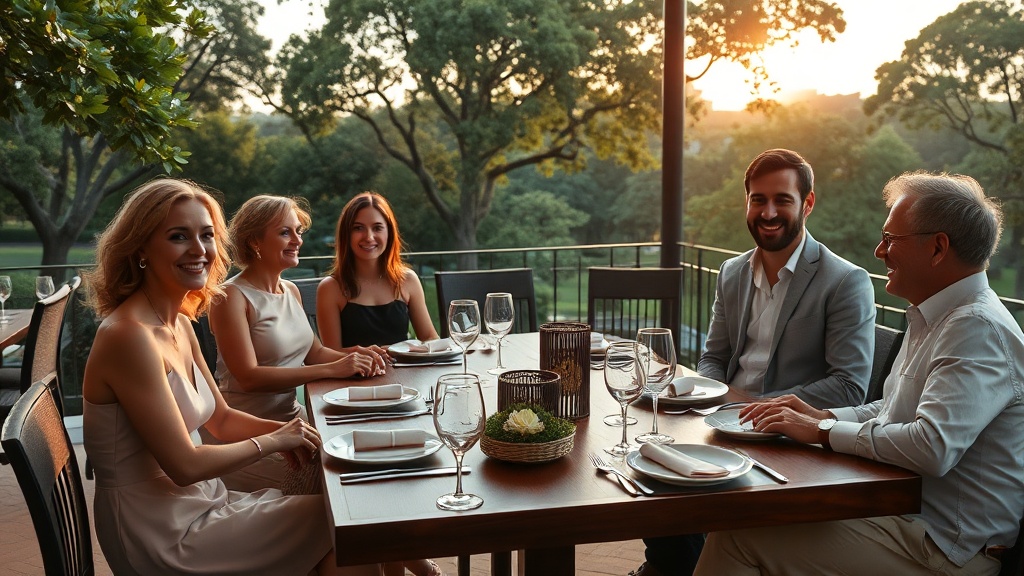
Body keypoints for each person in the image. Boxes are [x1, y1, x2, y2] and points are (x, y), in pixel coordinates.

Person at [695, 172, 1024, 576]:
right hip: (902, 518)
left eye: (891, 240)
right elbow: (892, 409)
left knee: (737, 535)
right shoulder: (936, 316)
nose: (878, 251)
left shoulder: (975, 328)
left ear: (938, 248)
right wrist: (823, 417)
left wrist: (820, 433)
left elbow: (932, 446)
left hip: (944, 547)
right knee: (749, 514)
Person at [80, 178, 377, 575]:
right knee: (346, 522)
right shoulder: (127, 337)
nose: (199, 250)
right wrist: (272, 439)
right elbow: (184, 465)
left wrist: (298, 434)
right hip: (161, 533)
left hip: (206, 502)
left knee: (346, 519)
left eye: (206, 235)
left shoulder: (180, 324)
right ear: (140, 248)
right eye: (178, 236)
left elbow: (220, 419)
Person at [633, 148, 876, 576]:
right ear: (746, 203)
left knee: (679, 501)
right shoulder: (731, 272)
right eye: (758, 199)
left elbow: (849, 386)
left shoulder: (845, 281)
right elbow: (714, 358)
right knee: (648, 468)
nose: (768, 212)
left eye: (782, 199)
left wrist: (756, 409)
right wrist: (702, 400)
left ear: (808, 203)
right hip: (723, 426)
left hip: (790, 445)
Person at [204, 195, 386, 492]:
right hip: (250, 433)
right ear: (254, 242)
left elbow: (314, 352)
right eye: (285, 232)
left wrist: (356, 355)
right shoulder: (230, 297)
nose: (297, 240)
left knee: (365, 449)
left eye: (298, 231)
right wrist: (332, 369)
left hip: (295, 419)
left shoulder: (290, 290)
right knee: (336, 483)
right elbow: (248, 377)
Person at [317, 192, 439, 352]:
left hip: (406, 375)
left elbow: (431, 339)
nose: (369, 237)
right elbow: (330, 354)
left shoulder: (407, 280)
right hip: (354, 376)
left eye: (377, 228)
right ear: (346, 235)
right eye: (358, 228)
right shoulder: (330, 288)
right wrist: (377, 353)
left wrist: (407, 349)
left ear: (389, 233)